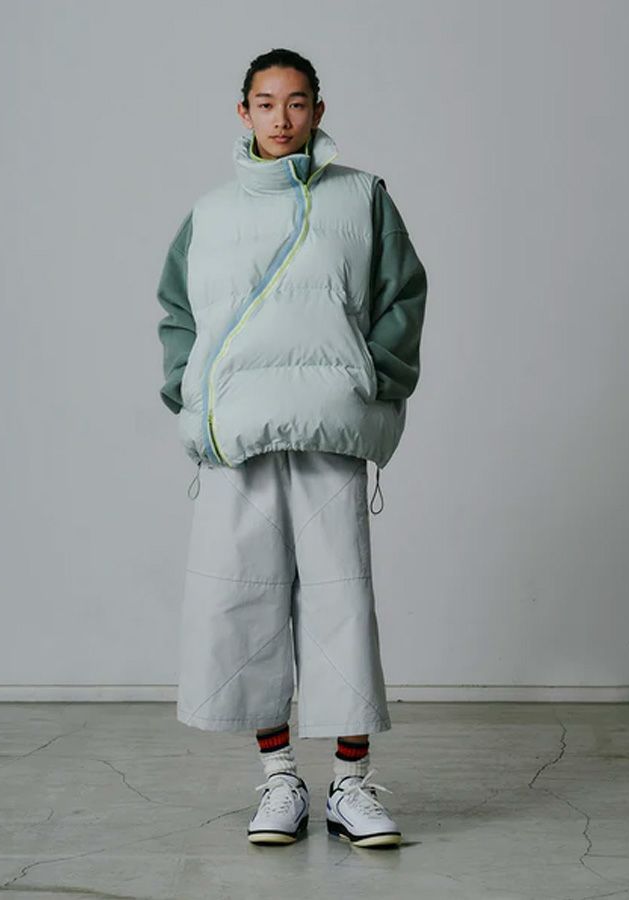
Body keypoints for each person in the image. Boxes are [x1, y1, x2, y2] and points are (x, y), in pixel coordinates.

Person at [155, 47, 428, 848]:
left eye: (297, 102)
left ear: (318, 110)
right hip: (238, 435)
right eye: (267, 103)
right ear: (243, 111)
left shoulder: (363, 197)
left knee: (341, 605)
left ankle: (350, 784)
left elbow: (403, 296)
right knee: (247, 604)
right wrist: (190, 394)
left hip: (328, 427)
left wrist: (370, 380)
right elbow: (178, 313)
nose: (282, 118)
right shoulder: (209, 212)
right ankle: (280, 781)